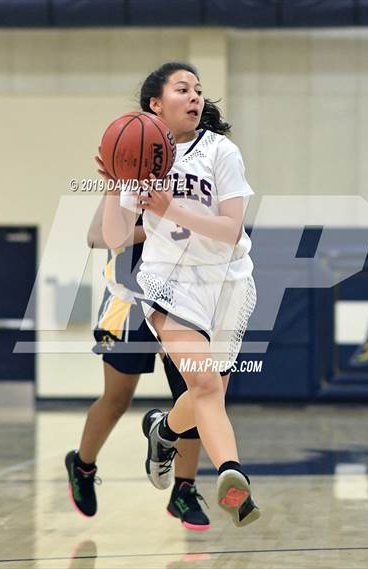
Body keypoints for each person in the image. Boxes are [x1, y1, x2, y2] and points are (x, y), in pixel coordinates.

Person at [98, 61, 260, 527]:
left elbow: (230, 231)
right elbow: (114, 236)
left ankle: (162, 430)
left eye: (198, 90)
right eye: (182, 89)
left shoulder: (221, 152)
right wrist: (114, 184)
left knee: (206, 393)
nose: (195, 97)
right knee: (206, 386)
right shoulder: (141, 159)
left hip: (228, 281)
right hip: (168, 281)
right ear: (155, 104)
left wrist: (171, 208)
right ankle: (232, 474)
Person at [64, 201, 210, 531]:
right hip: (126, 300)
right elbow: (95, 235)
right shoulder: (125, 177)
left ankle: (183, 490)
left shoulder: (189, 177)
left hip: (178, 300)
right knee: (117, 400)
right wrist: (156, 231)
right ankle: (83, 465)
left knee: (192, 395)